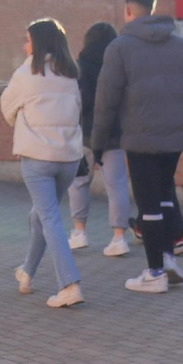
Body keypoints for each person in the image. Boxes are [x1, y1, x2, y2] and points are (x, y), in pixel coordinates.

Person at [89, 0, 183, 294]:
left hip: (140, 136)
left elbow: (106, 99)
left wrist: (98, 141)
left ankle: (154, 272)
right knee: (164, 195)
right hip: (174, 138)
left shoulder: (119, 48)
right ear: (154, 8)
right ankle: (169, 259)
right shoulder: (180, 46)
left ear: (129, 11)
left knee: (148, 204)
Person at [1, 19, 86, 307]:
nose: (24, 45)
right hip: (69, 158)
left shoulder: (27, 72)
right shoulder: (71, 73)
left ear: (37, 42)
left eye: (27, 39)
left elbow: (6, 107)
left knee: (49, 218)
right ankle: (27, 273)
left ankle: (69, 284)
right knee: (40, 216)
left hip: (37, 157)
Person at [68, 23, 133, 257]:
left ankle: (79, 232)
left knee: (79, 182)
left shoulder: (80, 67)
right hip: (114, 134)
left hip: (84, 133)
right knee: (116, 186)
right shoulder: (119, 64)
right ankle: (119, 237)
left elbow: (78, 101)